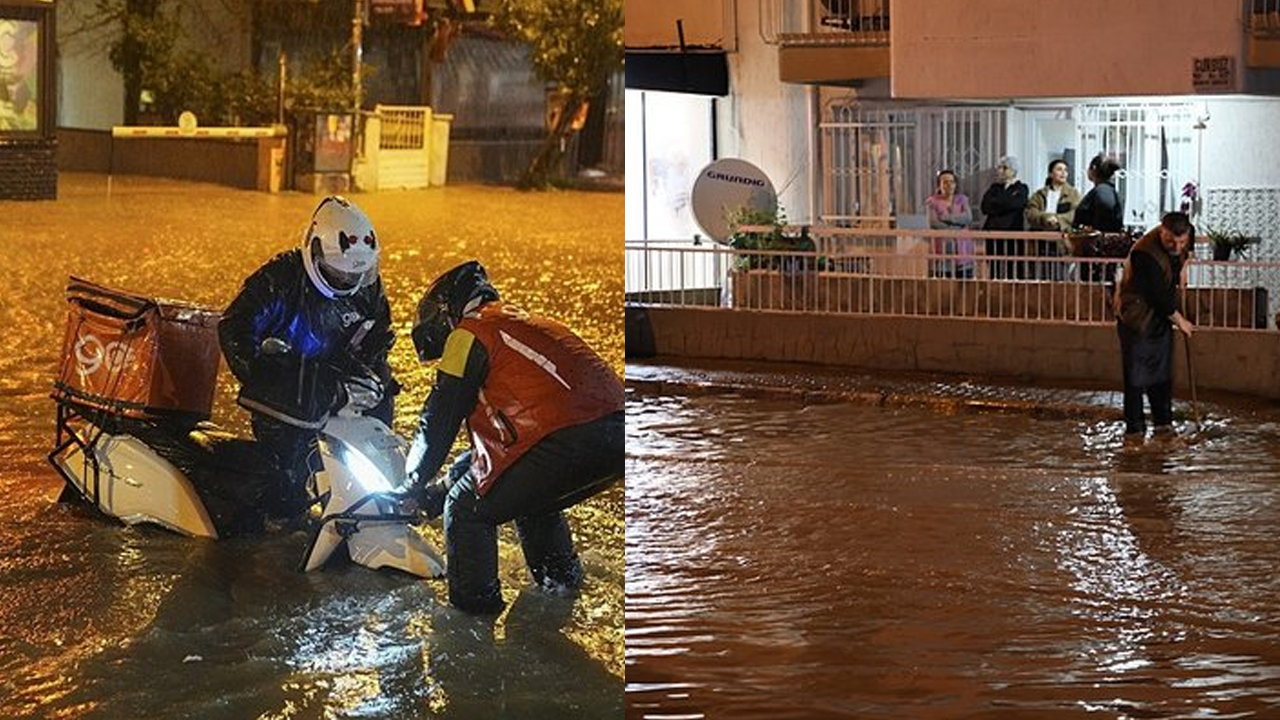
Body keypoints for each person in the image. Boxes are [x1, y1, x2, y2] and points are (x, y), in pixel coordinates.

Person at [405, 260, 624, 614]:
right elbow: (487, 462)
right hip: (614, 434)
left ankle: (474, 623)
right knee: (531, 499)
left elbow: (438, 419)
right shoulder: (519, 322)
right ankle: (561, 591)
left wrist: (411, 479)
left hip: (560, 439)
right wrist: (430, 496)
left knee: (465, 511)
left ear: (448, 314)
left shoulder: (469, 333)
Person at [219, 195, 397, 519]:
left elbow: (378, 337)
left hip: (339, 392)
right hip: (290, 399)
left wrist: (372, 377)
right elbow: (234, 327)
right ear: (314, 251)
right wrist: (265, 375)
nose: (345, 282)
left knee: (372, 458)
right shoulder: (279, 280)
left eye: (350, 277)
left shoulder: (366, 287)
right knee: (285, 492)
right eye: (336, 274)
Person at [1113, 211, 1195, 437]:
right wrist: (1181, 321)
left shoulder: (1187, 234)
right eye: (1171, 241)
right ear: (1162, 231)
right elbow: (1157, 297)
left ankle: (1163, 423)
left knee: (1162, 371)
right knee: (1136, 375)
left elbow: (1187, 250)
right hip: (1136, 314)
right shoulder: (1143, 254)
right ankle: (1135, 429)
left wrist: (1184, 266)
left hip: (1160, 315)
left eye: (1181, 242)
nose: (1176, 246)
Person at [1025, 159, 1081, 280]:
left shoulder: (1073, 194)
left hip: (1062, 243)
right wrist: (1045, 218)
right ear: (1050, 174)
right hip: (1040, 242)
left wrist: (1058, 220)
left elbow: (1076, 213)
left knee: (1060, 279)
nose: (1063, 173)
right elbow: (1030, 212)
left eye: (1066, 170)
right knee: (1039, 278)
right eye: (1059, 169)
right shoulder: (1040, 194)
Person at [1073, 153, 1125, 282]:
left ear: (1093, 169)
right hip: (1098, 249)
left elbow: (1106, 207)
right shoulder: (1105, 189)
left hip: (1097, 251)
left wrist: (1095, 230)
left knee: (1095, 287)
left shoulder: (1103, 190)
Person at [980, 155, 1030, 279]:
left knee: (1013, 268)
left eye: (1005, 168)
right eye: (999, 167)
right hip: (993, 233)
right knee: (993, 267)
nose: (1000, 170)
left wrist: (997, 203)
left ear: (1013, 171)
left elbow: (1017, 204)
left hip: (1012, 233)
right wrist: (1005, 203)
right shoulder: (994, 188)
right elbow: (985, 207)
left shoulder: (1021, 188)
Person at [924, 169, 975, 279]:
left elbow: (968, 218)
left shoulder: (962, 199)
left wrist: (948, 218)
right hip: (941, 248)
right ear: (939, 185)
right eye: (945, 182)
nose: (949, 185)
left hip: (963, 249)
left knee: (965, 285)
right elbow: (934, 223)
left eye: (952, 182)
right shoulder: (932, 201)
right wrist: (958, 225)